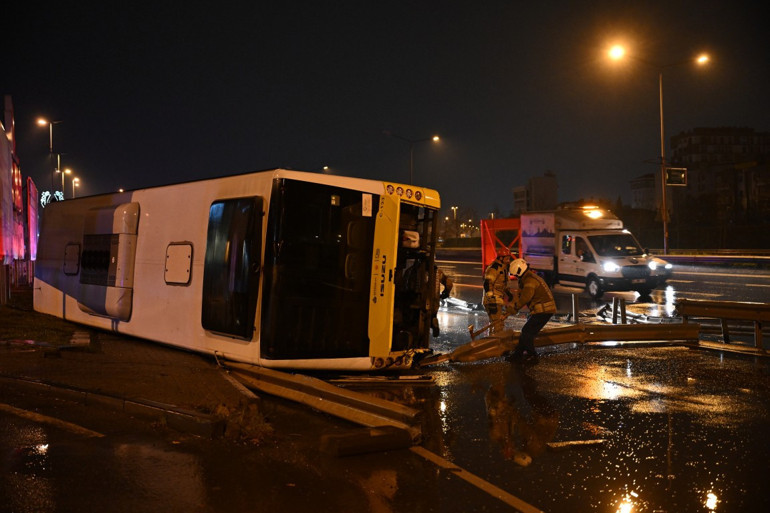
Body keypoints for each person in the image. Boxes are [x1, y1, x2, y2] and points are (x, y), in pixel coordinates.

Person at [508, 257, 556, 362]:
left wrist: (515, 308)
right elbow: (520, 296)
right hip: (541, 310)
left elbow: (525, 298)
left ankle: (532, 355)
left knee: (527, 331)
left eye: (515, 275)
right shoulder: (527, 278)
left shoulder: (530, 281)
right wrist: (512, 307)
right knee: (527, 331)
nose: (515, 277)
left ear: (519, 271)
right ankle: (518, 354)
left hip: (544, 311)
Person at [483, 252, 513, 334]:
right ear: (500, 258)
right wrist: (491, 299)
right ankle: (495, 343)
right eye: (506, 258)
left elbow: (502, 283)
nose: (508, 260)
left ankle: (491, 341)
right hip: (493, 300)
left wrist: (508, 293)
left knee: (495, 323)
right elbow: (487, 283)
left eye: (509, 258)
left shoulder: (503, 268)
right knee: (498, 325)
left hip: (497, 299)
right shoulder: (494, 268)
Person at [431, 266, 453, 337]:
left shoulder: (412, 271)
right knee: (433, 315)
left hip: (417, 300)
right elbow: (449, 283)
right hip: (433, 301)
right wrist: (446, 292)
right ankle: (434, 324)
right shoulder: (437, 272)